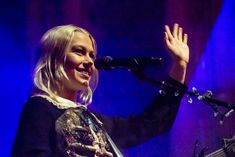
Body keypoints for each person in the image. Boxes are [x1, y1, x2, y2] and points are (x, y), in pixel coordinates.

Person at [11, 23, 189, 157]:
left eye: (92, 55)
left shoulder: (93, 121)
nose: (90, 61)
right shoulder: (39, 108)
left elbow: (147, 125)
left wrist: (179, 66)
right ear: (54, 59)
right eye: (79, 52)